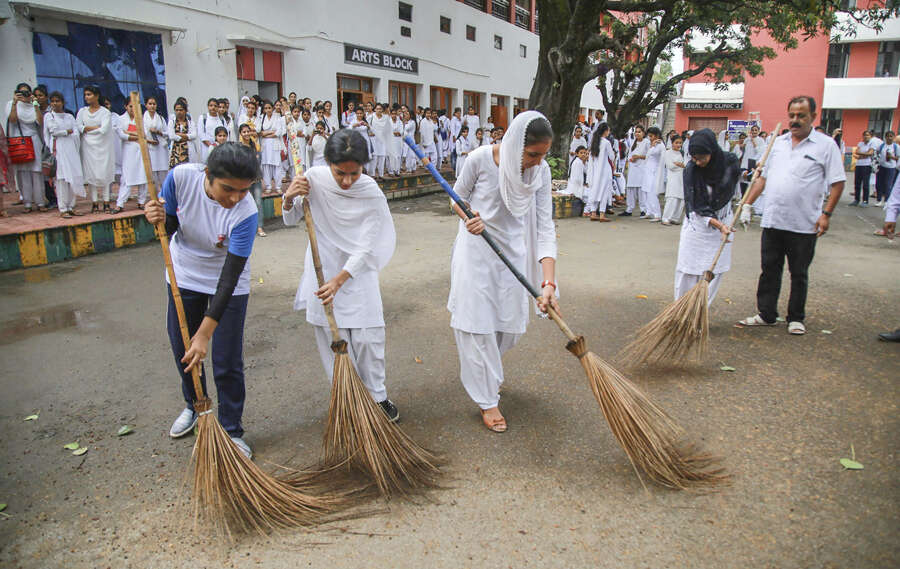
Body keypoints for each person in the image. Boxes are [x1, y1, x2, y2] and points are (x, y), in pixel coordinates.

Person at [144, 143, 260, 459]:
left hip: (227, 282)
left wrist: (205, 333)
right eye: (228, 189)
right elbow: (168, 229)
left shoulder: (246, 212)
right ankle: (195, 406)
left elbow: (230, 277)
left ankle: (232, 429)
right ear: (207, 174)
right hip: (184, 273)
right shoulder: (181, 178)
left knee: (226, 360)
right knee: (184, 350)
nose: (235, 198)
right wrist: (153, 217)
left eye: (243, 190)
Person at [447, 111, 559, 433]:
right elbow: (456, 197)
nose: (537, 162)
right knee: (476, 325)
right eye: (532, 154)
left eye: (543, 155)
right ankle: (487, 399)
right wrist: (468, 216)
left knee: (506, 329)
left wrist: (547, 281)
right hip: (476, 249)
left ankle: (487, 374)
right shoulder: (481, 160)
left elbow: (545, 226)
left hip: (513, 254)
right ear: (513, 144)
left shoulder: (541, 172)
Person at [281, 128, 400, 421]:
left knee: (369, 338)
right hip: (322, 270)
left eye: (354, 174)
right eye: (339, 173)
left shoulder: (371, 191)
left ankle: (377, 397)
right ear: (327, 163)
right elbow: (291, 218)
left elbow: (367, 245)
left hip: (357, 273)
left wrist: (341, 279)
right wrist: (288, 197)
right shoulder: (313, 179)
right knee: (332, 341)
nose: (347, 181)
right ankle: (347, 397)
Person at [737, 95, 845, 335]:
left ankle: (796, 317)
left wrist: (826, 214)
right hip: (774, 219)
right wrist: (747, 204)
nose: (795, 120)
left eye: (801, 116)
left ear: (813, 117)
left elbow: (837, 183)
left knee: (798, 272)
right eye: (792, 115)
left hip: (804, 222)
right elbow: (762, 178)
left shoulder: (826, 146)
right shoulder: (777, 143)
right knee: (769, 269)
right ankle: (766, 314)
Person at [673, 129, 742, 306]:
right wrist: (718, 225)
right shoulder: (691, 170)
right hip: (698, 224)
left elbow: (734, 185)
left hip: (723, 220)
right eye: (694, 157)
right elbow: (697, 205)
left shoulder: (729, 163)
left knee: (714, 270)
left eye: (701, 157)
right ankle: (681, 309)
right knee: (688, 269)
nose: (697, 161)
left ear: (712, 151)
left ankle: (700, 312)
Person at [3, 82, 46, 212]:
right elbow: (13, 120)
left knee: (36, 172)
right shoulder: (11, 104)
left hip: (33, 140)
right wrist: (16, 103)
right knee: (23, 173)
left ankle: (40, 202)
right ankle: (27, 203)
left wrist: (34, 103)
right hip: (20, 142)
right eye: (21, 92)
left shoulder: (33, 105)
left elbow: (39, 121)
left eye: (27, 92)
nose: (24, 95)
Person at [43, 91, 84, 218]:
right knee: (61, 179)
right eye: (53, 101)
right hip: (59, 150)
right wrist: (67, 131)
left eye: (58, 101)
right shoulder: (49, 116)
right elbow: (53, 131)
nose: (55, 103)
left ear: (63, 102)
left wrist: (67, 132)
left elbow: (76, 132)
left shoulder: (69, 117)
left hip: (71, 149)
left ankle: (71, 206)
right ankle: (63, 208)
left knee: (72, 178)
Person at [76, 86, 116, 213]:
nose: (87, 97)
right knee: (91, 174)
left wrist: (87, 128)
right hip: (88, 147)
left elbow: (104, 130)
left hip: (103, 147)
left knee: (104, 173)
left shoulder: (105, 112)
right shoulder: (82, 112)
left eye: (89, 94)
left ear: (97, 96)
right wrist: (94, 128)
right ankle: (94, 203)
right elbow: (78, 127)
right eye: (85, 94)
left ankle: (106, 202)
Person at [114, 99, 148, 214]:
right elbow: (121, 134)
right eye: (130, 106)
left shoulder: (141, 119)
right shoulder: (120, 119)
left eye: (135, 107)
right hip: (128, 151)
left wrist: (130, 133)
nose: (133, 109)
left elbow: (145, 134)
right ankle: (120, 204)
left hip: (141, 151)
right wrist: (136, 135)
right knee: (126, 178)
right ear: (125, 106)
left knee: (143, 177)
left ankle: (141, 202)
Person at [237, 123, 267, 238]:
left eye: (248, 131)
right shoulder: (238, 147)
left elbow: (258, 162)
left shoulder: (254, 144)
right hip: (244, 180)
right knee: (244, 203)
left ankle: (259, 227)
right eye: (244, 132)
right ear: (240, 134)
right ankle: (246, 228)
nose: (246, 134)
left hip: (256, 178)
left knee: (258, 203)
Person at [586, 122, 613, 221]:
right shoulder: (606, 143)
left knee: (595, 190)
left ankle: (593, 213)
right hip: (605, 171)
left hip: (595, 171)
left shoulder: (594, 142)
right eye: (608, 130)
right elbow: (612, 156)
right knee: (604, 192)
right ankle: (602, 214)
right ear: (605, 131)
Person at [619, 125, 648, 217]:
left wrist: (639, 157)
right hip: (633, 169)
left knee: (641, 190)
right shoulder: (633, 143)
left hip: (641, 169)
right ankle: (629, 209)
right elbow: (629, 155)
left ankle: (643, 209)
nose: (637, 134)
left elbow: (649, 156)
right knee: (631, 190)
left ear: (643, 133)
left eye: (639, 132)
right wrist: (631, 159)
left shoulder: (646, 142)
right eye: (636, 132)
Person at [258, 101, 285, 192]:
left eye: (269, 108)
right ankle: (268, 186)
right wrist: (270, 132)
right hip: (265, 145)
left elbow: (279, 132)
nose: (268, 110)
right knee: (266, 165)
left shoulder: (278, 118)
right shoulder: (261, 118)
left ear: (272, 108)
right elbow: (260, 132)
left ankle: (278, 186)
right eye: (265, 108)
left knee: (277, 165)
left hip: (275, 143)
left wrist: (266, 134)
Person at [143, 97, 169, 189]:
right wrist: (149, 141)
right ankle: (154, 196)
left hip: (161, 148)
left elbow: (167, 133)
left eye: (154, 104)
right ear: (146, 105)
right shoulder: (142, 119)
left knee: (163, 173)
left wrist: (158, 132)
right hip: (149, 148)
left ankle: (164, 195)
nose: (152, 106)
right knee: (151, 173)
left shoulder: (161, 118)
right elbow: (140, 135)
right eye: (150, 104)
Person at [661, 136, 686, 226]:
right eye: (677, 143)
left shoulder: (681, 153)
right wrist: (679, 165)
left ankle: (675, 218)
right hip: (672, 178)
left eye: (680, 143)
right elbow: (670, 166)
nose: (679, 145)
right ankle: (666, 218)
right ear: (672, 143)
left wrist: (679, 164)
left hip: (681, 178)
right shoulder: (668, 153)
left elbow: (685, 165)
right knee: (672, 198)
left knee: (681, 199)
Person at [641, 126, 664, 221]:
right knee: (646, 191)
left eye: (651, 136)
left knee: (652, 193)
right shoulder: (653, 144)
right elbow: (647, 156)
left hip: (655, 171)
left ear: (657, 135)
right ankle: (649, 211)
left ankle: (657, 214)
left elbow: (657, 156)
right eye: (649, 136)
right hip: (648, 170)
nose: (650, 138)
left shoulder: (660, 145)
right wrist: (651, 146)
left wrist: (653, 146)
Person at [167, 98, 197, 167]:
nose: (179, 112)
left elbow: (194, 135)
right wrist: (187, 137)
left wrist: (179, 135)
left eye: (181, 110)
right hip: (175, 151)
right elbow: (171, 136)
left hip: (188, 149)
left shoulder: (190, 122)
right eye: (176, 110)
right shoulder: (172, 122)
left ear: (185, 111)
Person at [874, 131, 897, 206]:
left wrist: (891, 157)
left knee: (887, 184)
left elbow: (898, 158)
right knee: (879, 184)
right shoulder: (882, 145)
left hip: (891, 168)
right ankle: (879, 200)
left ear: (894, 137)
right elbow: (876, 153)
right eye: (888, 136)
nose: (889, 138)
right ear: (885, 137)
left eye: (891, 136)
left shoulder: (896, 147)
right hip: (881, 166)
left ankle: (887, 201)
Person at [368, 103, 391, 179]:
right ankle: (373, 174)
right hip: (374, 139)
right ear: (374, 109)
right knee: (374, 157)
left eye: (380, 109)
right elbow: (366, 127)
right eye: (377, 109)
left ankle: (381, 175)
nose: (379, 110)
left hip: (382, 140)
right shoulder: (371, 117)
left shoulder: (385, 118)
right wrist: (369, 133)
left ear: (382, 110)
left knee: (382, 157)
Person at [388, 107, 403, 176]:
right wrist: (394, 133)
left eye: (395, 114)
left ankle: (397, 171)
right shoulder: (388, 121)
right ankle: (391, 171)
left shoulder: (399, 122)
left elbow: (401, 131)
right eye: (392, 114)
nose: (394, 115)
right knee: (392, 156)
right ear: (390, 114)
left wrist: (396, 133)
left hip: (398, 141)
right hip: (391, 140)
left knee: (398, 156)